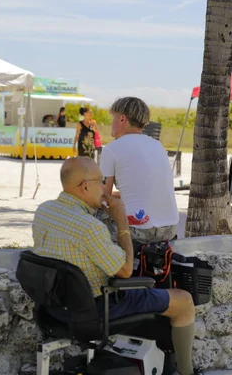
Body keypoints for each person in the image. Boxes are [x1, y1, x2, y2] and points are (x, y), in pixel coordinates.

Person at [32, 157, 201, 375]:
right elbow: (125, 270)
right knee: (184, 301)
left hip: (55, 309)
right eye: (101, 182)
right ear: (85, 186)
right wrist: (122, 221)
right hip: (100, 308)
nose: (105, 188)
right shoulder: (89, 228)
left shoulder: (45, 211)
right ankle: (187, 372)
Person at [101, 97, 179, 245]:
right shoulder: (157, 146)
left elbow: (103, 196)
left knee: (94, 213)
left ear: (122, 119)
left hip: (138, 230)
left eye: (114, 118)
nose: (111, 123)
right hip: (169, 229)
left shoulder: (112, 149)